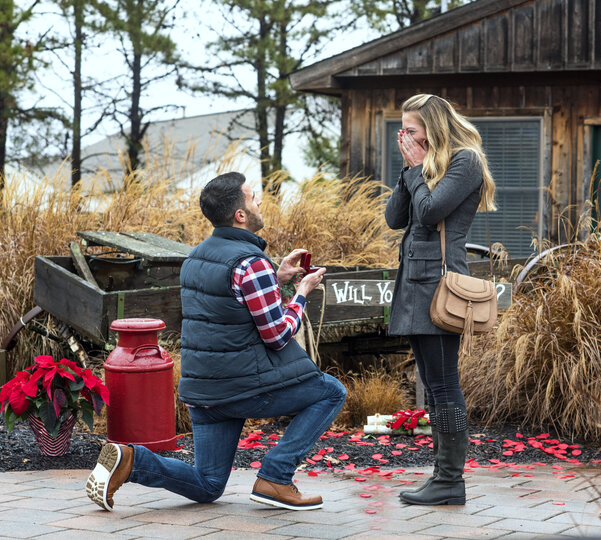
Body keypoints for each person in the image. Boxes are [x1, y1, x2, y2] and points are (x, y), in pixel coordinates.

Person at [85, 172, 347, 512]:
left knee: (208, 485)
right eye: (254, 198)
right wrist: (300, 294)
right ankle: (276, 477)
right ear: (240, 215)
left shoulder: (195, 257)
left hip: (205, 392)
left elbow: (228, 306)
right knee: (331, 391)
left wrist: (276, 277)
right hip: (241, 388)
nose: (260, 202)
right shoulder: (251, 262)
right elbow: (278, 335)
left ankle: (131, 461)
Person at [385, 94, 496, 505]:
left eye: (411, 130)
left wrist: (416, 169)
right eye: (402, 131)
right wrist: (410, 170)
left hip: (439, 285)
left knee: (445, 383)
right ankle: (441, 477)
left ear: (433, 129)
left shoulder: (465, 161)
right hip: (414, 285)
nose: (405, 137)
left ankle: (450, 480)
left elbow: (431, 213)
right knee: (432, 385)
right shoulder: (423, 167)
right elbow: (395, 218)